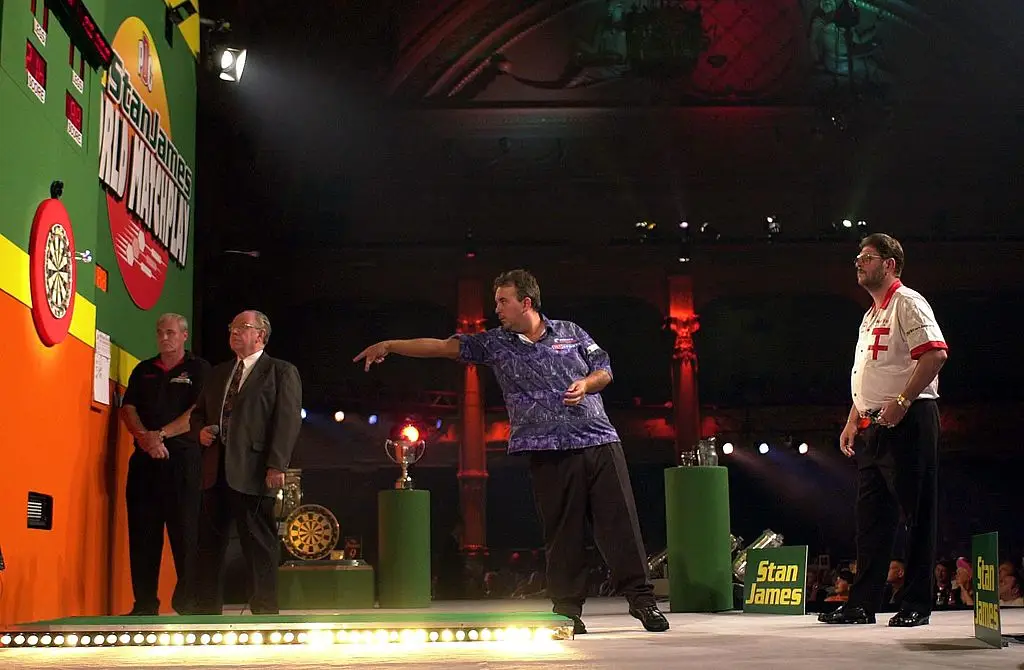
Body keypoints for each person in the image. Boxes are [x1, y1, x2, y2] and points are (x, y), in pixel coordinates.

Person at [354, 269, 669, 634]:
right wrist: (391, 345)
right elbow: (441, 347)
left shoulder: (571, 332)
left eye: (503, 301)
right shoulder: (495, 343)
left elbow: (604, 371)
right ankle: (567, 610)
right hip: (546, 450)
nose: (497, 309)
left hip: (598, 441)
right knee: (562, 532)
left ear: (526, 302)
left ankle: (643, 602)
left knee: (620, 524)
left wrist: (586, 384)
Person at [819, 233, 948, 628]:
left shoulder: (908, 302)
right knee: (871, 520)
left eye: (868, 257)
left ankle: (916, 603)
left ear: (890, 264)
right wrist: (852, 420)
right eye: (858, 257)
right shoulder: (871, 314)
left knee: (917, 515)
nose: (859, 263)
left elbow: (935, 354)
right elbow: (869, 373)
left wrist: (903, 401)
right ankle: (862, 603)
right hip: (874, 425)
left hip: (910, 419)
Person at [189, 310, 302, 614]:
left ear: (261, 335)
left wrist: (277, 464)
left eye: (243, 327)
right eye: (232, 327)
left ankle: (264, 612)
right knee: (208, 545)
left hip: (254, 470)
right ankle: (205, 613)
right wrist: (199, 431)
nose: (235, 332)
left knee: (258, 543)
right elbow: (198, 413)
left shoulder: (280, 372)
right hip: (215, 470)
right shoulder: (218, 373)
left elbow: (287, 421)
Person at [119, 313, 210, 615]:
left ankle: (188, 604)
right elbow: (128, 408)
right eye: (160, 332)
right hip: (145, 462)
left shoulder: (199, 369)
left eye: (170, 332)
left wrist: (160, 435)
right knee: (142, 536)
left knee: (186, 535)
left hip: (183, 462)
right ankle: (144, 605)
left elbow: (196, 412)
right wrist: (145, 438)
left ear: (184, 335)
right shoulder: (144, 369)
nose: (164, 337)